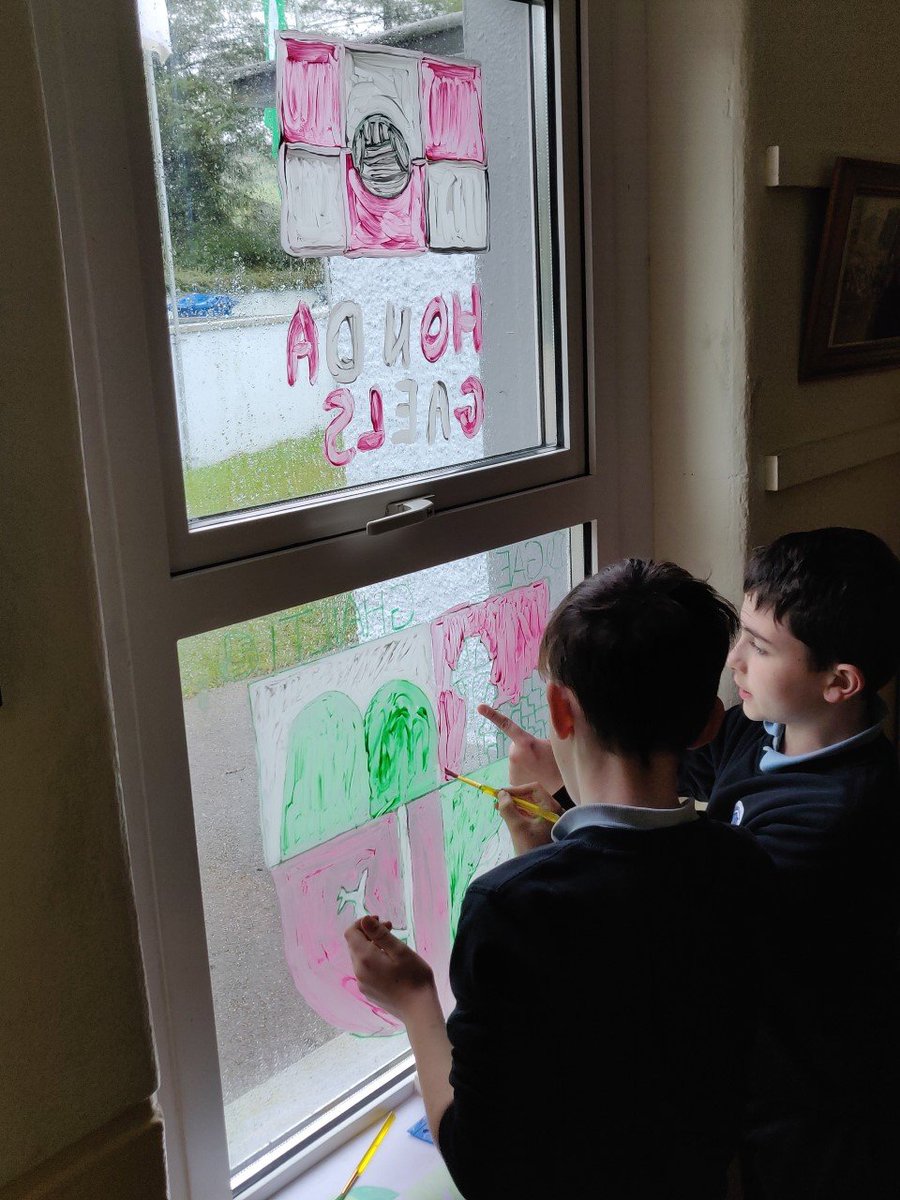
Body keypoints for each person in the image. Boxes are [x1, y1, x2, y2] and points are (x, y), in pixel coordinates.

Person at [482, 528, 900, 1200]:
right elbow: (659, 760)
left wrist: (563, 794)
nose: (734, 659)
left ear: (838, 682)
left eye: (760, 648)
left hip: (806, 1123)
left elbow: (682, 909)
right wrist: (584, 749)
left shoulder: (833, 819)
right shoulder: (767, 730)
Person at [345, 559, 774, 1200]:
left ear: (558, 710)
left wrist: (414, 1000)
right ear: (710, 722)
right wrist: (545, 842)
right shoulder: (744, 865)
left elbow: (480, 1163)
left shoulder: (510, 908)